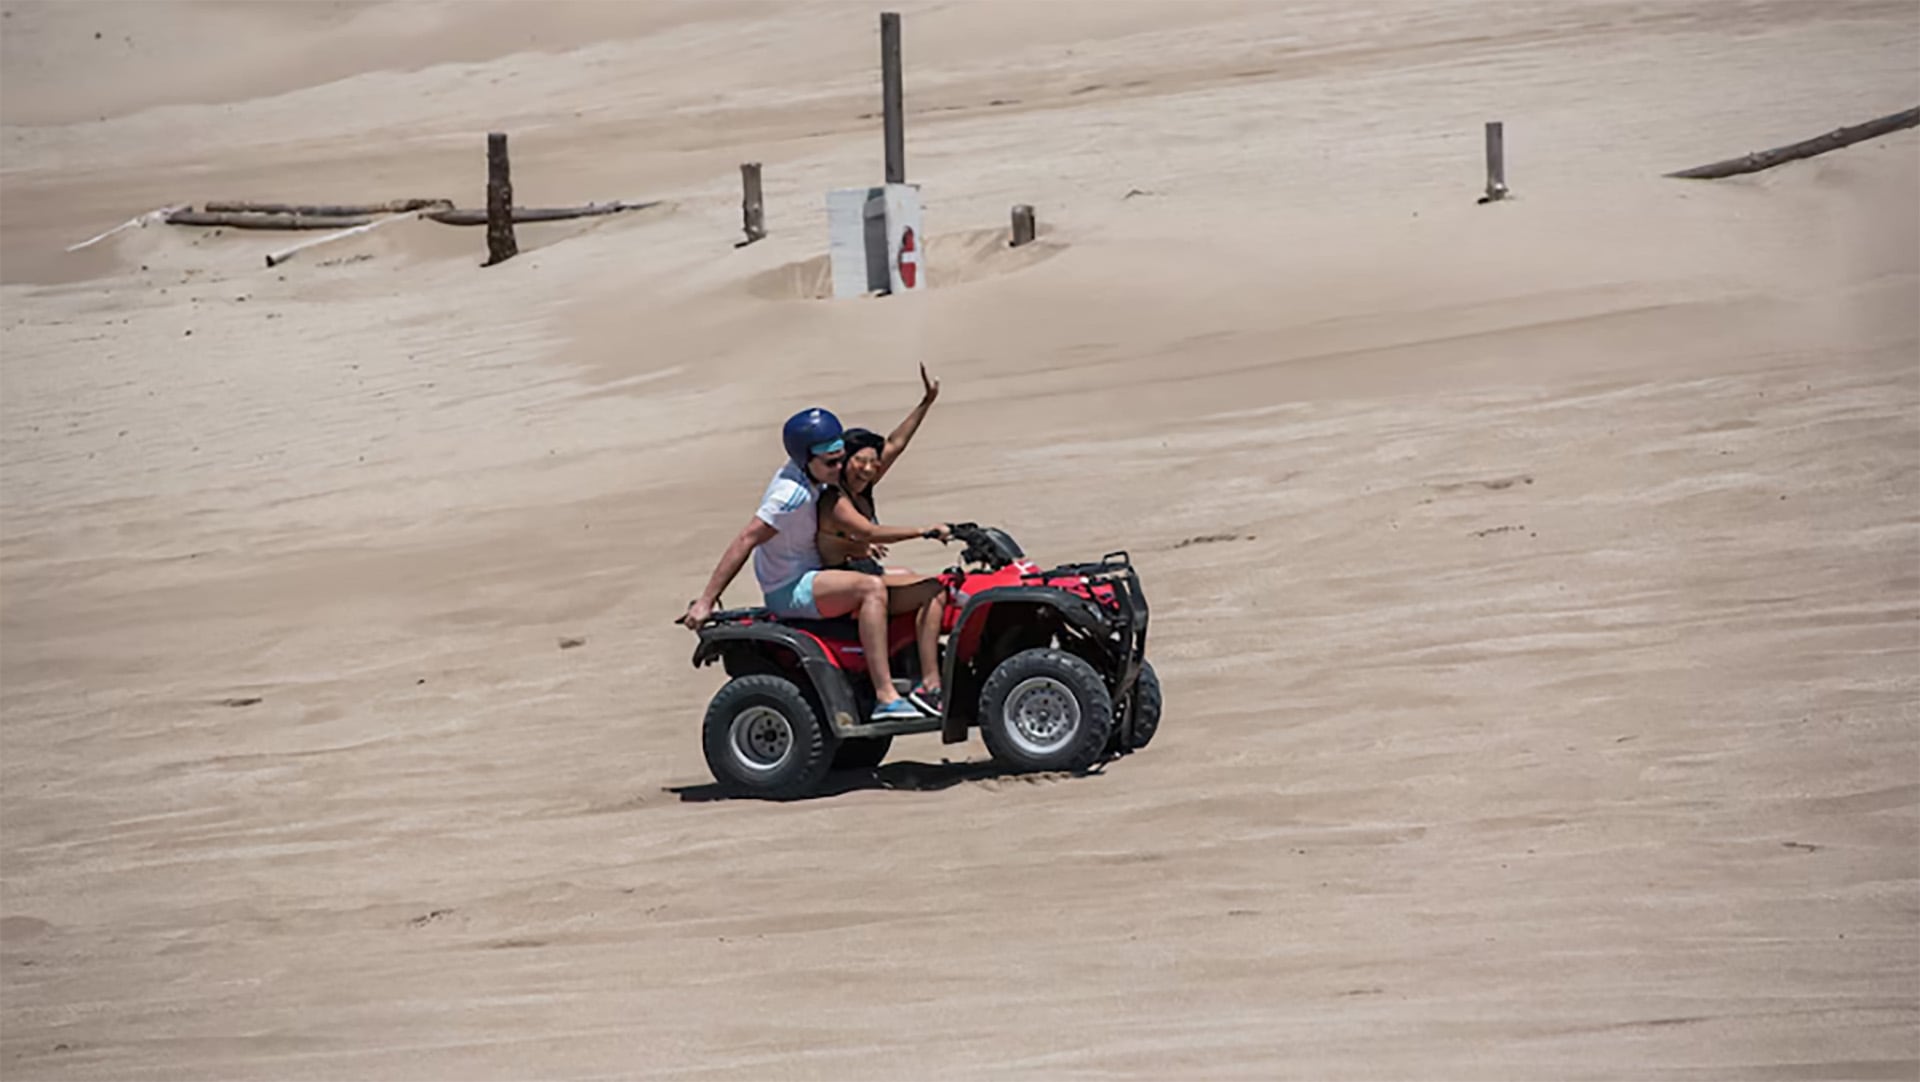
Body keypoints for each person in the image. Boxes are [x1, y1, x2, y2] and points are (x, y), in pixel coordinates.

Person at [682, 402, 949, 721]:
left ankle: (925, 682)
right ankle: (885, 696)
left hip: (818, 575)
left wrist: (927, 401)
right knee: (870, 588)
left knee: (917, 581)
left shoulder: (820, 474)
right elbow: (747, 539)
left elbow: (889, 450)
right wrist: (706, 601)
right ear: (806, 458)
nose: (840, 468)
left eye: (841, 459)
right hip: (790, 587)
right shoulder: (789, 496)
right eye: (831, 462)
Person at [818, 426, 950, 716]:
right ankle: (930, 686)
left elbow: (895, 444)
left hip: (864, 571)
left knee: (926, 577)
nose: (867, 469)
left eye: (872, 463)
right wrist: (924, 531)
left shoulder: (862, 489)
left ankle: (913, 662)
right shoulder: (835, 499)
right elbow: (868, 530)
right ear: (844, 461)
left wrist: (926, 401)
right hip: (845, 583)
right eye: (859, 461)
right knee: (933, 591)